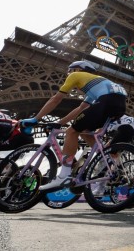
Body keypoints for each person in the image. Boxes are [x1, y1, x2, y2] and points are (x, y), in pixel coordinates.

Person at [25, 60, 128, 191]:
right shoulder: (96, 84)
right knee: (85, 131)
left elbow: (55, 99)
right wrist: (59, 122)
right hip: (120, 104)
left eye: (70, 71)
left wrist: (35, 118)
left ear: (77, 69)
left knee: (71, 132)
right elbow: (81, 108)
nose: (68, 74)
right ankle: (105, 158)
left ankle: (64, 176)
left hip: (106, 101)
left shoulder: (75, 76)